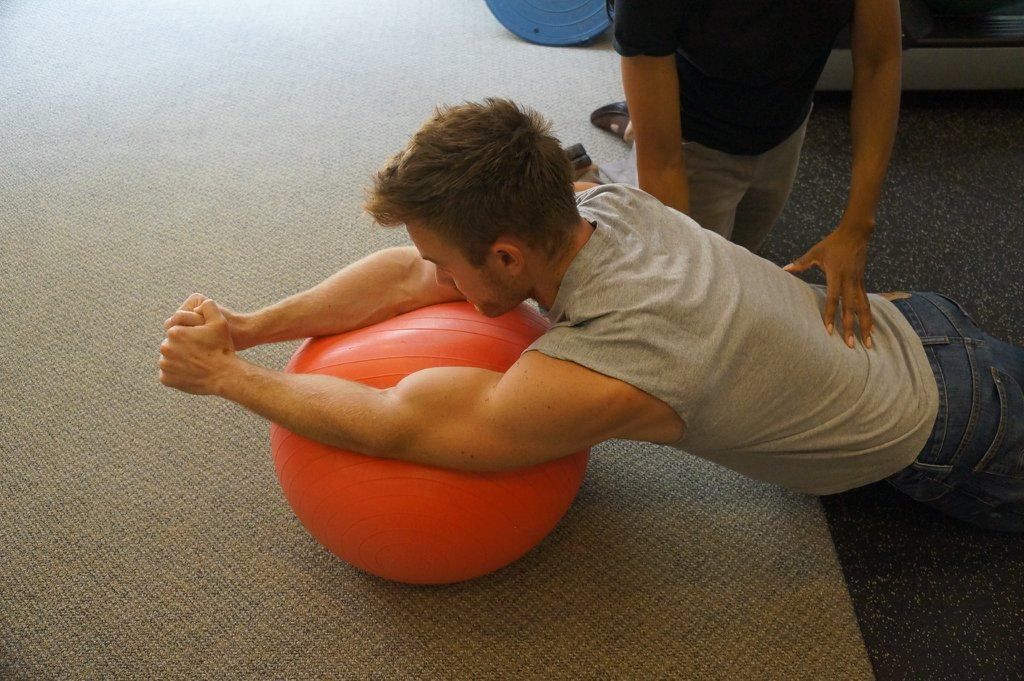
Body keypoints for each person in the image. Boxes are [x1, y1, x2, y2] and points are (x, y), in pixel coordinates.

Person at [159, 99, 1023, 532]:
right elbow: (403, 282)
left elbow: (396, 424)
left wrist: (229, 378)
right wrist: (244, 326)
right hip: (909, 324)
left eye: (441, 256)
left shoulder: (614, 369)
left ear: (504, 257)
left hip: (958, 431)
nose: (428, 273)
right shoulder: (595, 203)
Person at [586, 0, 903, 351]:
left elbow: (879, 62)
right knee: (680, 285)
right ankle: (616, 154)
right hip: (692, 134)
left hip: (786, 124)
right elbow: (662, 161)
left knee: (740, 260)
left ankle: (634, 127)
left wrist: (857, 227)